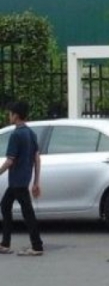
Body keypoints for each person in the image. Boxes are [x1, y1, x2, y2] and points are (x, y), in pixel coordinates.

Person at [0, 101, 43, 256]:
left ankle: (36, 246)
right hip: (24, 179)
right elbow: (37, 159)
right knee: (6, 205)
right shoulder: (31, 133)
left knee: (26, 212)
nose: (8, 116)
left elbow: (10, 160)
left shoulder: (16, 135)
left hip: (17, 180)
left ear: (16, 116)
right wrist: (36, 182)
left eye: (10, 114)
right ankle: (5, 244)